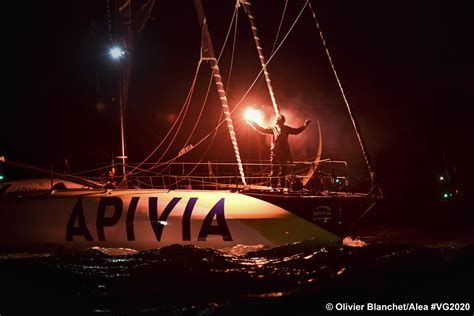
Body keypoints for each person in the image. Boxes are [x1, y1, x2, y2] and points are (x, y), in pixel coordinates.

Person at [247, 114, 311, 189]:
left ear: (283, 122)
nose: (279, 123)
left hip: (283, 153)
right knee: (274, 170)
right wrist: (253, 123)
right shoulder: (273, 129)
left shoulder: (286, 129)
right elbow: (262, 130)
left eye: (281, 121)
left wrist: (304, 126)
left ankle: (281, 187)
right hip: (275, 153)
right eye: (279, 121)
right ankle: (273, 187)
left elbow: (296, 131)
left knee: (282, 171)